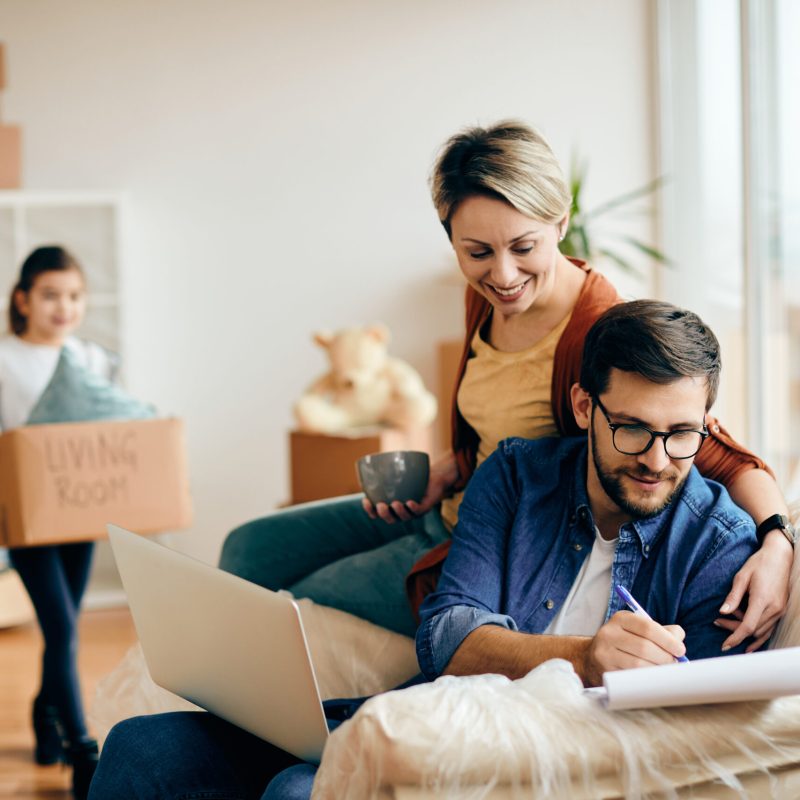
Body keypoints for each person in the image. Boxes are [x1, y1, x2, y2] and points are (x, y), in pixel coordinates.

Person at [88, 300, 770, 800]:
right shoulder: (514, 475)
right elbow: (445, 636)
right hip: (417, 720)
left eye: (683, 434)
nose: (658, 460)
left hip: (514, 769)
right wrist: (583, 658)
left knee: (299, 793)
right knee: (141, 749)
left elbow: (694, 742)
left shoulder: (718, 546)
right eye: (632, 430)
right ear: (585, 406)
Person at [221, 120, 792, 651]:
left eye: (524, 248)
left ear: (561, 223)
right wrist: (450, 467)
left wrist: (776, 538)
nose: (502, 274)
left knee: (293, 602)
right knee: (248, 549)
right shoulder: (487, 297)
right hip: (450, 503)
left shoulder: (596, 329)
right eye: (477, 252)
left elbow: (696, 444)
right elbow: (494, 420)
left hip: (489, 546)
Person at [0, 246, 116, 799]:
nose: (63, 307)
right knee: (64, 626)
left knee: (61, 622)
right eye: (50, 295)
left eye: (73, 295)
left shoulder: (89, 357)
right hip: (25, 515)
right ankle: (80, 749)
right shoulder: (4, 360)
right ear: (23, 299)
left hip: (78, 508)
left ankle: (44, 712)